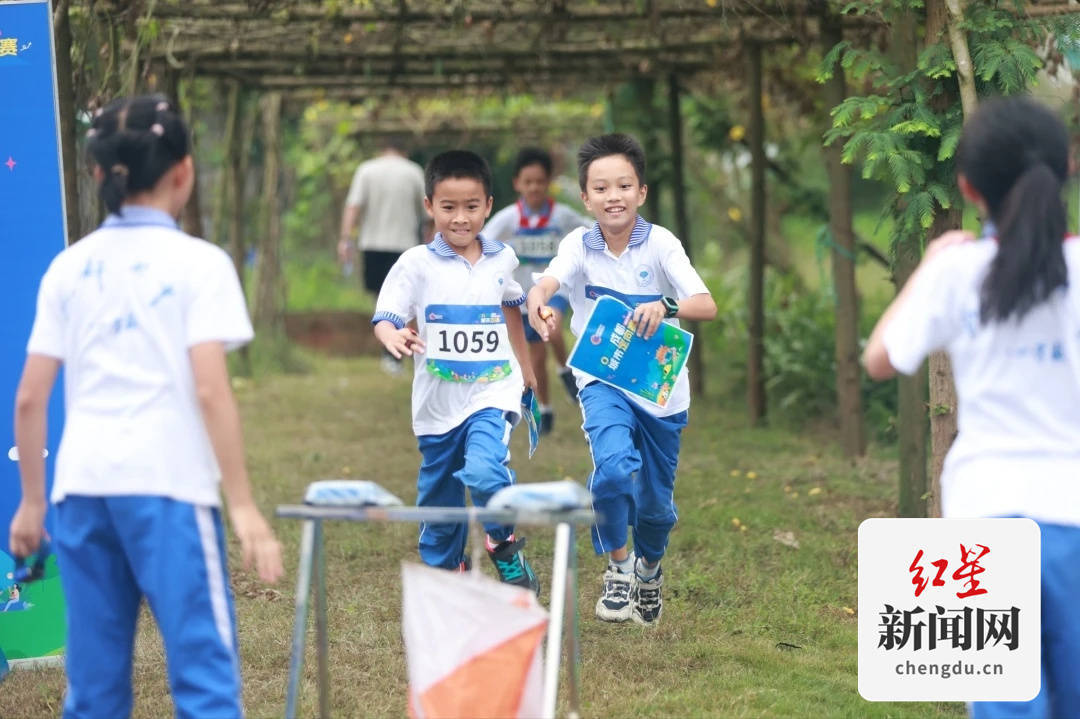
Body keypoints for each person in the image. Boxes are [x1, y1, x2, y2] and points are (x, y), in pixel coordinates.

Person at [7, 94, 283, 719]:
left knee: (95, 687)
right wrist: (242, 506)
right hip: (171, 491)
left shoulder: (67, 268)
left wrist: (30, 500)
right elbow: (211, 389)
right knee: (204, 678)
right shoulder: (201, 264)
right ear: (183, 171)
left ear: (98, 174)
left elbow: (30, 396)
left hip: (82, 492)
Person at [863, 96, 1080, 719]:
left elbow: (880, 358)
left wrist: (929, 265)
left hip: (980, 525)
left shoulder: (956, 269)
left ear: (967, 187)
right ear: (1067, 166)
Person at [526, 134, 716, 624]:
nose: (614, 196)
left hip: (660, 391)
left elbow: (705, 304)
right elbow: (549, 280)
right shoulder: (578, 246)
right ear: (586, 198)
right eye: (602, 188)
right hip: (602, 379)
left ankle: (649, 571)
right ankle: (617, 566)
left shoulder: (661, 244)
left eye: (624, 185)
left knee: (655, 505)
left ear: (641, 192)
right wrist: (539, 300)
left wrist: (667, 305)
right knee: (611, 469)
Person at [372, 150, 541, 593]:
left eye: (471, 207)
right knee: (440, 505)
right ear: (429, 206)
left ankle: (503, 544)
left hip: (491, 393)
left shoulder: (503, 258)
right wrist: (391, 335)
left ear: (488, 205)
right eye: (449, 207)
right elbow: (387, 315)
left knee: (486, 473)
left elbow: (511, 307)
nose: (461, 218)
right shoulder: (415, 264)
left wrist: (524, 367)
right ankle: (450, 576)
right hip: (437, 405)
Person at [483, 148, 590, 434]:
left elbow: (591, 230)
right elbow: (481, 241)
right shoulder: (508, 219)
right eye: (528, 182)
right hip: (521, 300)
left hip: (555, 289)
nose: (534, 188)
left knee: (552, 326)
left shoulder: (562, 216)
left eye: (540, 181)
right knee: (535, 359)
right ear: (518, 183)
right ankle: (545, 408)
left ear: (549, 182)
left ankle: (566, 370)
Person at [338, 138, 428, 375]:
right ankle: (406, 349)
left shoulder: (367, 170)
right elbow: (427, 210)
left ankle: (391, 351)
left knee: (383, 299)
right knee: (409, 300)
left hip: (373, 244)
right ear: (405, 149)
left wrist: (345, 239)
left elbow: (353, 206)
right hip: (405, 245)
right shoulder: (414, 172)